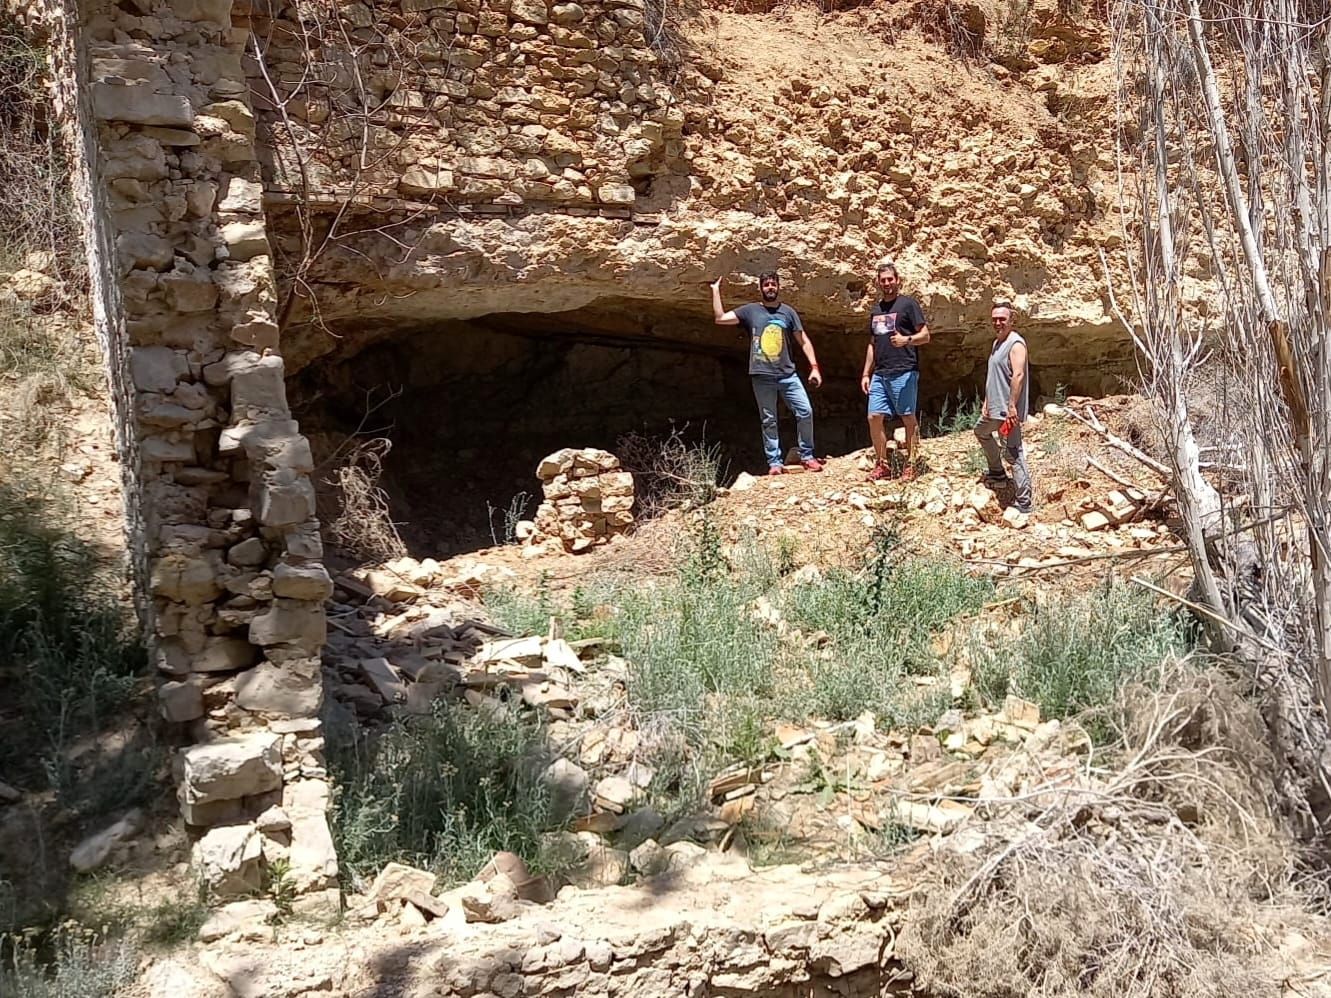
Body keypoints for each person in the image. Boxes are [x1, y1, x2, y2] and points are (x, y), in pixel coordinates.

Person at [712, 271, 824, 474]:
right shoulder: (751, 311)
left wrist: (814, 367)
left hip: (787, 375)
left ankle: (807, 455)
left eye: (773, 284)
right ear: (761, 288)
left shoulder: (788, 313)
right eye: (766, 285)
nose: (770, 288)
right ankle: (775, 462)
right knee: (769, 419)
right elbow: (720, 319)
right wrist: (715, 291)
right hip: (762, 375)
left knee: (805, 411)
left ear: (778, 287)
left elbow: (803, 340)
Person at [860, 261, 930, 481]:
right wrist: (865, 373)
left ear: (897, 280)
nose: (887, 283)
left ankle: (912, 462)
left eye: (890, 279)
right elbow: (872, 343)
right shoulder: (876, 310)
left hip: (904, 370)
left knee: (907, 416)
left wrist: (906, 339)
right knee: (874, 416)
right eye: (883, 280)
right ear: (878, 283)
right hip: (880, 373)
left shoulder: (908, 305)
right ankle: (882, 464)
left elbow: (926, 335)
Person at [974, 300, 1033, 513]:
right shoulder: (997, 343)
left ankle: (1024, 502)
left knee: (1014, 452)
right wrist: (987, 401)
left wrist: (1012, 407)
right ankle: (997, 471)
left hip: (1007, 411)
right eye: (995, 319)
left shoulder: (1016, 344)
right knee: (981, 431)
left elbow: (1018, 375)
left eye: (1002, 319)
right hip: (994, 408)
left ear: (1011, 320)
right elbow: (995, 375)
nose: (998, 323)